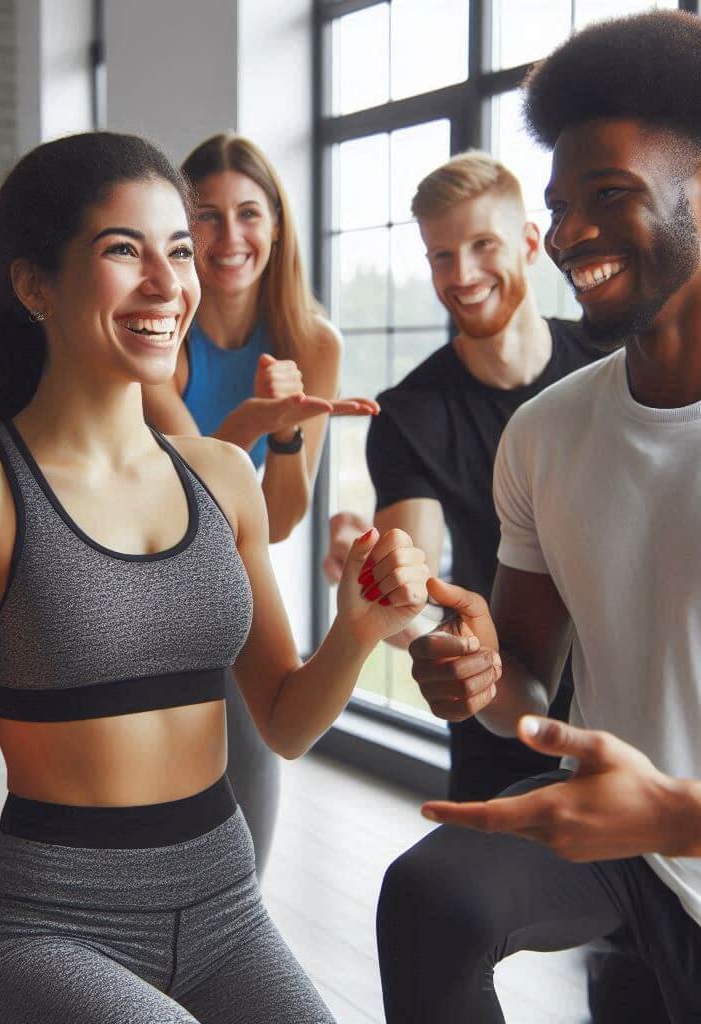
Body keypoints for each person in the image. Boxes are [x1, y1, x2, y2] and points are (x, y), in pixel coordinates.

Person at [0, 131, 429, 1024]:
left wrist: (354, 631)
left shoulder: (222, 477)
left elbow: (281, 721)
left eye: (179, 252)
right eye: (124, 251)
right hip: (48, 926)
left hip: (225, 907)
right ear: (34, 283)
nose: (169, 285)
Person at [376, 11, 701, 1022]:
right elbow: (520, 675)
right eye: (560, 205)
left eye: (609, 196)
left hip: (672, 825)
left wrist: (677, 813)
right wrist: (475, 673)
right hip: (625, 853)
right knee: (431, 897)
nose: (569, 234)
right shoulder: (549, 430)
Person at [323, 151, 601, 803]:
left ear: (531, 244)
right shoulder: (410, 414)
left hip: (632, 704)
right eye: (442, 256)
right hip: (497, 705)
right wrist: (377, 585)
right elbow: (416, 602)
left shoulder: (609, 363)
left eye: (483, 245)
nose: (464, 274)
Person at [143, 132, 378, 877]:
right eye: (205, 217)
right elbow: (197, 490)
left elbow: (275, 520)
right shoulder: (159, 335)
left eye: (249, 213)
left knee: (252, 773)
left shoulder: (313, 339)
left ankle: (236, 928)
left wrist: (281, 442)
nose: (230, 236)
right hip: (145, 567)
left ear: (276, 224)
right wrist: (258, 420)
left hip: (232, 573)